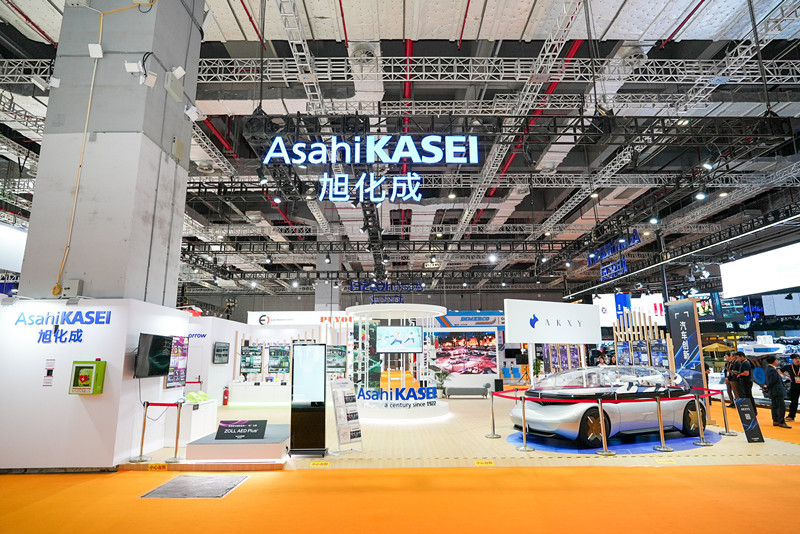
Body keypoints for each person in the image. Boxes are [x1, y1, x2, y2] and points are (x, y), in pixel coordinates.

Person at [764, 355, 790, 428]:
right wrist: (768, 387)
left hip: (773, 391)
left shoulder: (768, 368)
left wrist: (767, 387)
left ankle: (776, 420)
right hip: (777, 390)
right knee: (781, 406)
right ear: (774, 361)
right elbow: (773, 380)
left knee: (775, 406)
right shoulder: (772, 370)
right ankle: (781, 421)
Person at [782, 354, 800, 422]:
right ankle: (791, 416)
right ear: (792, 360)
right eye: (796, 359)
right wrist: (788, 376)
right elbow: (780, 371)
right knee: (794, 402)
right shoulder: (789, 367)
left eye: (798, 358)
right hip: (794, 386)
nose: (797, 360)